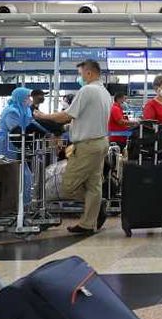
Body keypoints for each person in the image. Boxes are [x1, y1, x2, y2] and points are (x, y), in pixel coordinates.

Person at [41, 60, 112, 235]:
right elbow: (85, 119)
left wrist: (44, 116)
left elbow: (66, 115)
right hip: (101, 142)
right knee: (93, 185)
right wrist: (70, 127)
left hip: (87, 145)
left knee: (67, 185)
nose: (79, 77)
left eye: (80, 74)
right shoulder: (105, 92)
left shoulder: (87, 90)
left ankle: (95, 205)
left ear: (89, 73)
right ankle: (88, 223)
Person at [0, 87, 48, 205]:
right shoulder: (12, 111)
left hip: (16, 143)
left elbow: (33, 124)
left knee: (23, 175)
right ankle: (4, 204)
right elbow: (15, 131)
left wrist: (48, 133)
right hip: (6, 143)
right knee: (5, 172)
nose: (30, 99)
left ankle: (21, 204)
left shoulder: (25, 110)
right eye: (28, 97)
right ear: (21, 98)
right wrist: (27, 142)